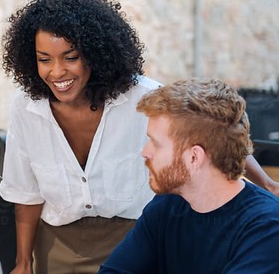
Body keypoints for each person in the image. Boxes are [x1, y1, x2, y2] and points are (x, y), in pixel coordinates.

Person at [0, 0, 278, 274]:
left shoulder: (141, 97)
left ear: (95, 53)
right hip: (59, 245)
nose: (57, 72)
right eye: (44, 59)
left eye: (70, 57)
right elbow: (26, 193)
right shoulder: (26, 108)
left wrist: (266, 184)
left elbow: (211, 130)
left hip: (133, 236)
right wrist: (23, 263)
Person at [99, 78, 279, 273]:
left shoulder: (267, 227)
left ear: (194, 157)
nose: (145, 152)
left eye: (156, 143)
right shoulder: (166, 206)